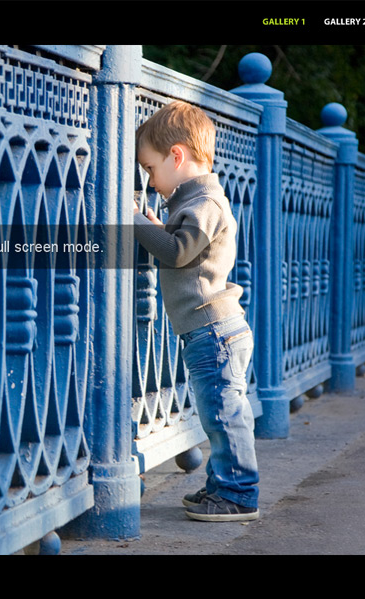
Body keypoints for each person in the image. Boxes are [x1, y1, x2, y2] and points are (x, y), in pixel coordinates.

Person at [132, 100, 259, 522]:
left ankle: (238, 494)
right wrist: (155, 222)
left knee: (224, 414)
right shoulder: (194, 201)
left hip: (215, 331)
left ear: (177, 155)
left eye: (150, 168)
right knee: (217, 412)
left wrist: (134, 221)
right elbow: (181, 241)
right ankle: (224, 484)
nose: (150, 180)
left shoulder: (207, 199)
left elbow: (178, 251)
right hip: (209, 331)